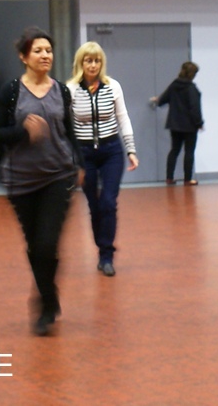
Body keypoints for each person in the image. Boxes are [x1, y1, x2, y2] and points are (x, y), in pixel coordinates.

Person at [0, 27, 83, 336]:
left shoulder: (62, 91)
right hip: (21, 180)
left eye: (48, 50)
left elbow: (70, 131)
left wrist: (80, 163)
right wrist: (23, 131)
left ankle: (43, 303)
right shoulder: (11, 92)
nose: (45, 56)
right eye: (38, 51)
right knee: (35, 245)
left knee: (47, 243)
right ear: (23, 57)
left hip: (58, 175)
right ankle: (49, 295)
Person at [67, 41, 138, 277]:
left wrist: (131, 150)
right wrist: (71, 159)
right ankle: (101, 245)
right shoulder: (71, 89)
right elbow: (66, 126)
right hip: (84, 154)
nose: (93, 65)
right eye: (88, 60)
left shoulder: (112, 86)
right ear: (81, 63)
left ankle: (106, 255)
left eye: (97, 60)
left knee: (108, 201)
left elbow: (123, 118)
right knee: (94, 205)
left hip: (111, 151)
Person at [155, 61, 204, 185]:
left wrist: (157, 100)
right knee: (189, 152)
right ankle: (187, 179)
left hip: (175, 125)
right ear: (193, 74)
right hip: (189, 126)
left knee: (174, 150)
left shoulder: (174, 85)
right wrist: (199, 123)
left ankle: (169, 178)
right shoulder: (191, 88)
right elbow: (195, 108)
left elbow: (162, 100)